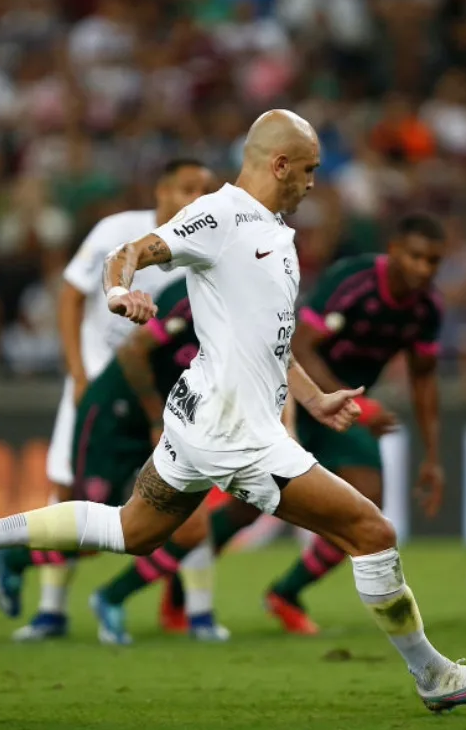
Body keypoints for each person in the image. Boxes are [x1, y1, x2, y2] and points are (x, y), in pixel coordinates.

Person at [0, 110, 466, 712]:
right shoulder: (219, 214)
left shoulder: (271, 230)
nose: (312, 183)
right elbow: (131, 251)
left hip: (201, 418)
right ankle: (434, 675)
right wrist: (120, 292)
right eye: (307, 170)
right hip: (233, 431)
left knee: (130, 530)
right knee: (372, 532)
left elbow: (266, 339)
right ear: (278, 165)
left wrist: (310, 396)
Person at [125, 215, 449, 636]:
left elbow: (424, 380)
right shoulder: (353, 281)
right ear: (394, 251)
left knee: (366, 508)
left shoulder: (427, 309)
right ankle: (181, 591)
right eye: (415, 256)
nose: (423, 268)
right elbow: (298, 345)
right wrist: (347, 400)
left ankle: (286, 593)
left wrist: (433, 456)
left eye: (433, 261)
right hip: (292, 395)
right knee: (243, 510)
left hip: (345, 409)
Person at [0, 276, 254, 643]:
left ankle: (112, 597)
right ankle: (15, 559)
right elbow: (133, 352)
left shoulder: (251, 310)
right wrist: (152, 418)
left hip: (172, 420)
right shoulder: (194, 296)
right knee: (101, 534)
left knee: (192, 529)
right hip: (115, 418)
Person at [20, 157, 213, 641]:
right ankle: (49, 609)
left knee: (187, 499)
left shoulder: (208, 241)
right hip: (100, 382)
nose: (197, 198)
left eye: (205, 189)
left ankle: (201, 614)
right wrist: (78, 370)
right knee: (71, 494)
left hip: (167, 394)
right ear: (161, 191)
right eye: (188, 188)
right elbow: (70, 294)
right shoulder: (118, 231)